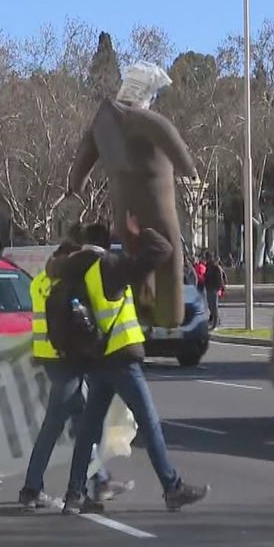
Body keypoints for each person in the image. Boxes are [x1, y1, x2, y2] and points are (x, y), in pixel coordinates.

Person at [62, 217, 209, 514]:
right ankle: (172, 487)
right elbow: (162, 249)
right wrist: (138, 232)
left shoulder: (84, 272)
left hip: (99, 360)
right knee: (150, 423)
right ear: (106, 243)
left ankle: (74, 494)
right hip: (121, 360)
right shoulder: (110, 267)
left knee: (89, 429)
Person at [19, 228, 132, 510]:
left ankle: (94, 482)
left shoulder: (39, 282)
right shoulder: (67, 281)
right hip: (65, 359)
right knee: (59, 425)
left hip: (48, 357)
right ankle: (37, 488)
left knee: (79, 422)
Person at [203, 252, 225, 330]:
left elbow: (221, 278)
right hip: (209, 288)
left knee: (214, 306)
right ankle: (215, 321)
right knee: (210, 305)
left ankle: (215, 324)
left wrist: (219, 288)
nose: (205, 259)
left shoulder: (215, 267)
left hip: (214, 288)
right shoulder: (208, 266)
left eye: (206, 257)